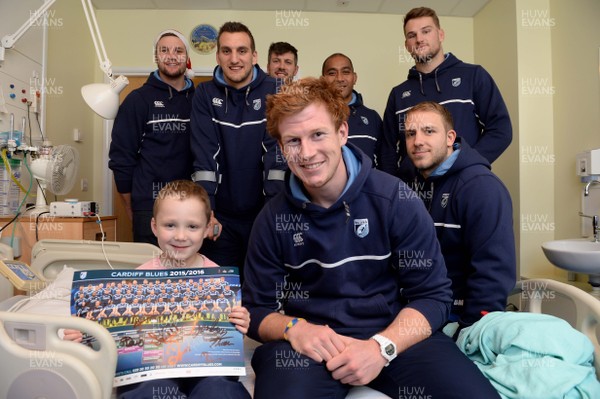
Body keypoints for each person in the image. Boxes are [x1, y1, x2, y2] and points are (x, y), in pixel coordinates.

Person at [242, 77, 500, 399]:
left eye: (318, 134)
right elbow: (255, 310)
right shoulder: (271, 219)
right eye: (293, 141)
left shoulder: (395, 199)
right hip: (309, 347)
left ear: (342, 133)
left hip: (391, 335)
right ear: (281, 148)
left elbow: (433, 296)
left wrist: (382, 348)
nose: (306, 153)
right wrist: (294, 328)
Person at [65, 180, 251, 399]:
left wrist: (240, 320)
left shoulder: (218, 277)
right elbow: (113, 336)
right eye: (170, 225)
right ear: (154, 226)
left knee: (220, 391)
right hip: (152, 370)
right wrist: (85, 336)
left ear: (207, 228)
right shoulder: (136, 280)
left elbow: (227, 332)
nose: (181, 236)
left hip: (206, 368)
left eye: (192, 226)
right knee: (150, 392)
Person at [404, 101, 516, 338]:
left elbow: (492, 274)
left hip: (458, 322)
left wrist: (469, 333)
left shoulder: (481, 188)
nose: (418, 141)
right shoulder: (413, 186)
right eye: (411, 134)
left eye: (429, 131)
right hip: (419, 312)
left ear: (449, 137)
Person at [190, 21, 283, 272]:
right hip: (221, 218)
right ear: (218, 55)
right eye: (227, 51)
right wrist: (206, 211)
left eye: (242, 51)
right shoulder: (204, 94)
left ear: (254, 56)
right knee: (222, 294)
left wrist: (273, 211)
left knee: (262, 293)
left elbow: (278, 155)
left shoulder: (277, 90)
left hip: (265, 212)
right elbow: (205, 157)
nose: (234, 59)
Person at [380, 6, 512, 181]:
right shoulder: (398, 94)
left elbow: (501, 130)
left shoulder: (473, 76)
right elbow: (387, 149)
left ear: (441, 35)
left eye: (426, 31)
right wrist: (396, 188)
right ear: (406, 45)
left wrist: (466, 166)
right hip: (415, 195)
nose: (419, 39)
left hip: (464, 185)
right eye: (412, 35)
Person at [109, 29, 195, 246]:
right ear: (156, 57)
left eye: (178, 50)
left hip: (191, 205)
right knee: (151, 274)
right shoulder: (138, 100)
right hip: (149, 206)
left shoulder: (199, 100)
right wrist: (132, 205)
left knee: (187, 275)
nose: (171, 56)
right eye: (164, 50)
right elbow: (121, 158)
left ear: (187, 58)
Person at [321, 53, 382, 166]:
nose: (339, 78)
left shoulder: (372, 117)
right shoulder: (313, 117)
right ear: (323, 80)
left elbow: (385, 162)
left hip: (366, 184)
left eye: (345, 72)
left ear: (354, 78)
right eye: (332, 73)